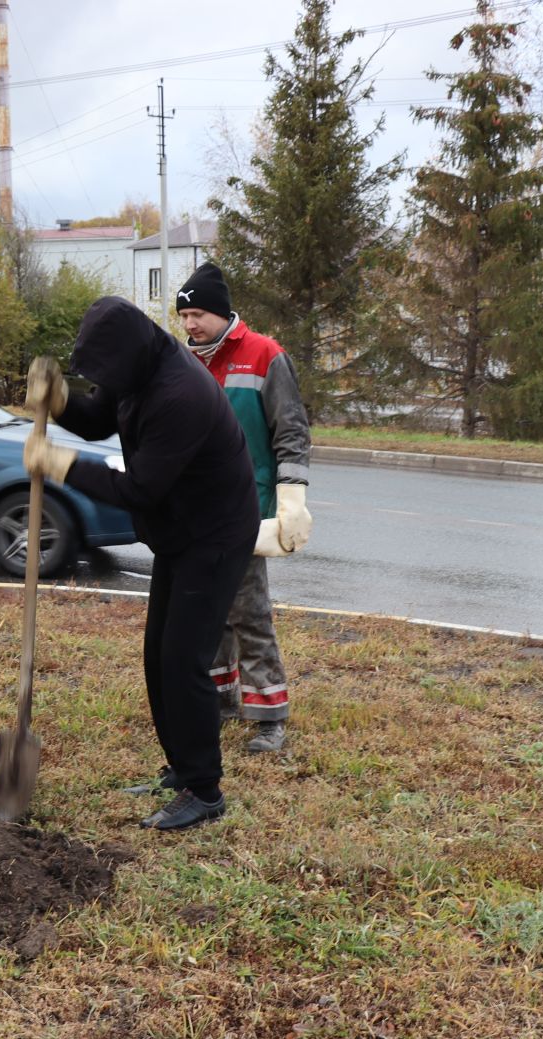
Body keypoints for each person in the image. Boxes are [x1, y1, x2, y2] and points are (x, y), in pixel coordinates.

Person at [19, 296, 254, 831]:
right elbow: (101, 419)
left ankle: (205, 790)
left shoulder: (181, 394)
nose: (106, 382)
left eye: (105, 374)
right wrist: (60, 402)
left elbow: (142, 488)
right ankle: (181, 767)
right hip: (180, 530)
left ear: (130, 354)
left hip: (214, 535)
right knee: (158, 656)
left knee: (183, 660)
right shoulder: (136, 363)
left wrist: (63, 465)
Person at [175, 262, 312, 753]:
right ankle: (220, 699)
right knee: (205, 611)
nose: (190, 325)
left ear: (222, 312)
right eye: (184, 315)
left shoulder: (264, 356)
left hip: (247, 511)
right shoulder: (183, 361)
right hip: (195, 513)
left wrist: (292, 494)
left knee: (249, 613)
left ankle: (269, 716)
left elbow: (291, 431)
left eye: (198, 314)